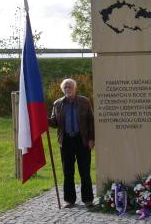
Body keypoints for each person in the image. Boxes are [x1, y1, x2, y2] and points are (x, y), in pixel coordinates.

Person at [48, 78, 95, 208]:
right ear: (63, 89)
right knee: (67, 171)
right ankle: (69, 200)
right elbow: (54, 122)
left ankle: (88, 199)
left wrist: (91, 139)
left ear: (75, 88)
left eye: (70, 87)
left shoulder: (84, 102)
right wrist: (45, 119)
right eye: (65, 87)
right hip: (66, 141)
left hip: (82, 140)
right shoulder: (57, 104)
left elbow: (91, 121)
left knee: (84, 171)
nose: (68, 89)